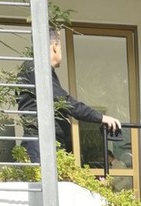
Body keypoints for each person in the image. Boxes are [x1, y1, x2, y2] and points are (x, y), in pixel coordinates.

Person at [17, 28, 121, 161]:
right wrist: (100, 117)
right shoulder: (36, 68)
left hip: (43, 142)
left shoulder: (33, 69)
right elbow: (64, 101)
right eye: (60, 47)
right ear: (55, 47)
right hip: (42, 144)